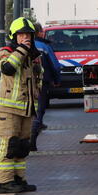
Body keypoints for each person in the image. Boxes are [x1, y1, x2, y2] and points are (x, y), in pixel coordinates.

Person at [0, 17, 43, 193]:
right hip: (9, 109)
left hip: (27, 109)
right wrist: (22, 49)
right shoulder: (6, 52)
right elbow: (8, 68)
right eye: (21, 34)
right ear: (14, 36)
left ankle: (19, 179)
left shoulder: (34, 57)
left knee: (22, 147)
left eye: (28, 34)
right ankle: (5, 182)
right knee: (9, 145)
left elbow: (39, 79)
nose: (26, 37)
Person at [30, 23, 61, 151]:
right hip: (42, 83)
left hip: (24, 85)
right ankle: (32, 139)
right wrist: (57, 80)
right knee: (39, 111)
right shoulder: (44, 46)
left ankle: (24, 139)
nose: (43, 33)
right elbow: (55, 65)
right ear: (39, 33)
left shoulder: (23, 46)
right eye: (42, 31)